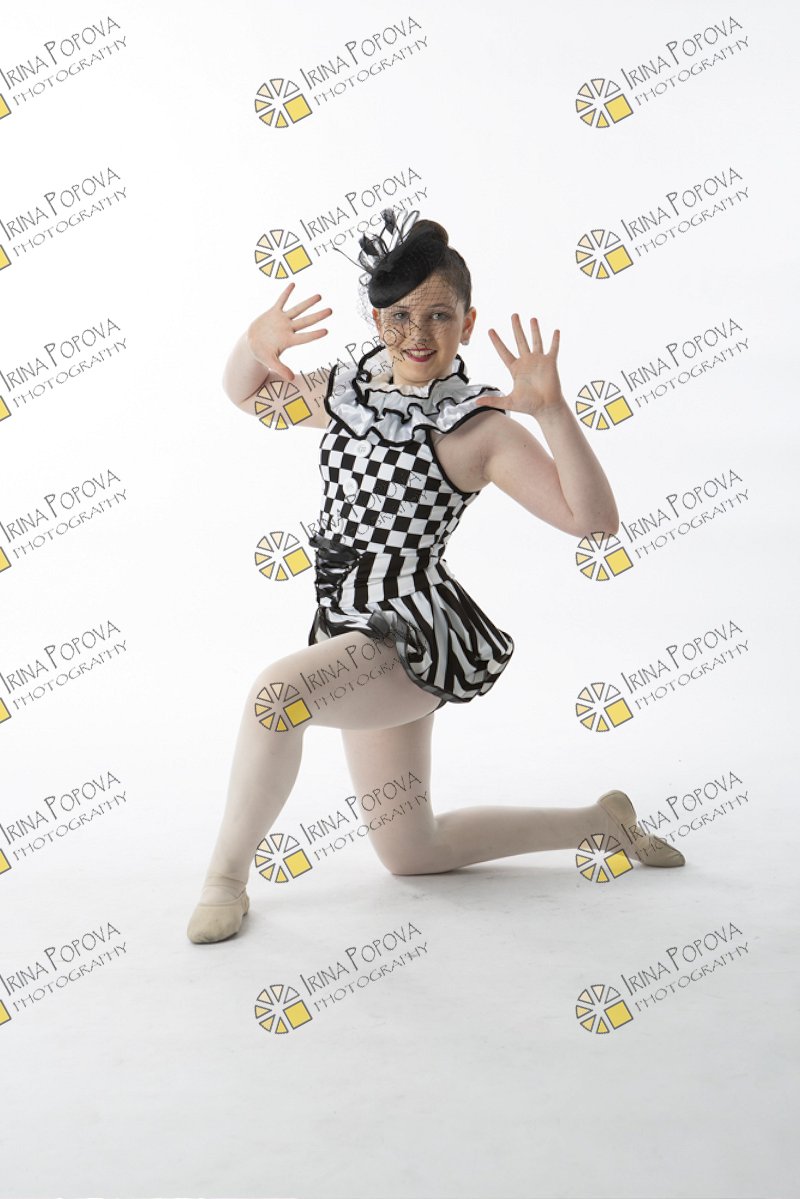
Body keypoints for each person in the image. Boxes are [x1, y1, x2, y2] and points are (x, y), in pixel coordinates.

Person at [187, 210, 684, 944]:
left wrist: (552, 412)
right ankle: (601, 822)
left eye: (439, 315)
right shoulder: (350, 393)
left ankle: (225, 880)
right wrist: (250, 345)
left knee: (275, 698)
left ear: (467, 322)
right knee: (411, 852)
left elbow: (595, 522)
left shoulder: (478, 429)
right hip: (344, 622)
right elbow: (248, 395)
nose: (418, 333)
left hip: (409, 632)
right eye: (400, 316)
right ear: (378, 321)